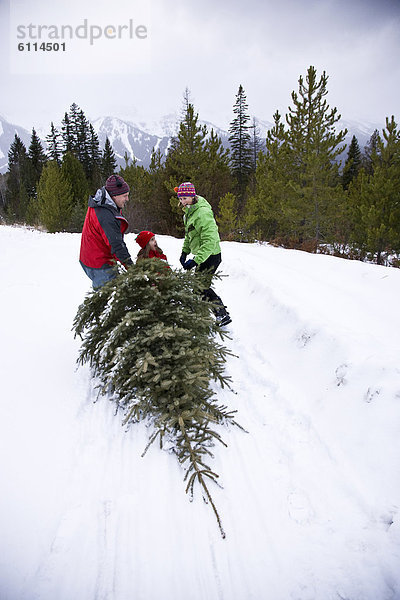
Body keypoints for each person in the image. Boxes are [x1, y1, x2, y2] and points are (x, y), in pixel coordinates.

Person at [175, 182, 232, 327]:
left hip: (211, 255)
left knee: (201, 287)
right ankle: (214, 313)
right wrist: (184, 252)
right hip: (203, 255)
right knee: (199, 286)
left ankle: (221, 314)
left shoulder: (202, 213)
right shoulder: (188, 213)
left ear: (193, 196)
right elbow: (189, 236)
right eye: (181, 199)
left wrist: (195, 261)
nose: (183, 202)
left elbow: (210, 240)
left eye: (185, 198)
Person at [79, 174, 133, 289]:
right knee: (108, 299)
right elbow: (116, 245)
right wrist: (132, 268)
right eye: (125, 196)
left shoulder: (104, 203)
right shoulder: (105, 215)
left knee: (114, 292)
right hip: (98, 263)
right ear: (114, 196)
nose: (127, 199)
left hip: (91, 259)